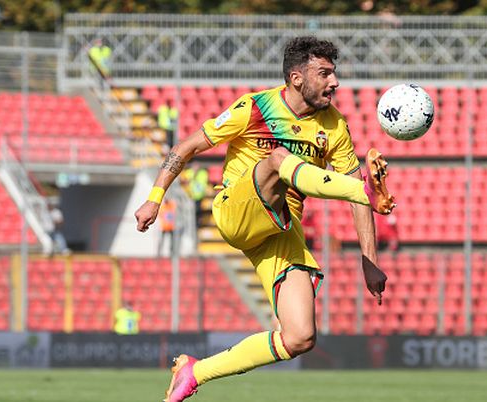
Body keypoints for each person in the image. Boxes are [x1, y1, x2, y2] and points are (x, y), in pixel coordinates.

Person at [134, 36, 395, 402]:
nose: (335, 82)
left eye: (334, 73)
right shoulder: (255, 108)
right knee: (276, 161)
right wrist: (154, 198)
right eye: (325, 73)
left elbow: (356, 199)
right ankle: (360, 188)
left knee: (301, 336)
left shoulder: (334, 126)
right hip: (237, 210)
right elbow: (186, 147)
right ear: (296, 78)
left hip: (280, 228)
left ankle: (196, 372)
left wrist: (370, 261)